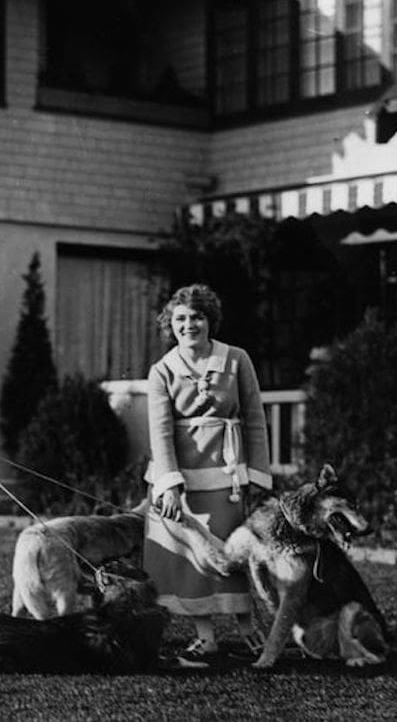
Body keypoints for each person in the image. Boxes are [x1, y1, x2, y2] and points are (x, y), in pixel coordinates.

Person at [143, 283, 272, 665]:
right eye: (180, 319)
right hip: (181, 482)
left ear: (209, 320)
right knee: (190, 560)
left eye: (196, 317)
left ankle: (250, 632)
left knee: (233, 556)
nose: (189, 325)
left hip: (229, 477)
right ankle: (205, 637)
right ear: (171, 324)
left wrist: (259, 478)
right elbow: (160, 432)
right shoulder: (162, 370)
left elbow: (254, 419)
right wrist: (168, 486)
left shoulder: (236, 359)